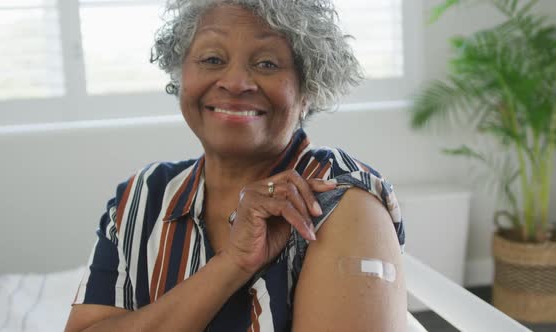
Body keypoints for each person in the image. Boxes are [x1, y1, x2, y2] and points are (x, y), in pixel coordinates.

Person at [65, 0, 406, 331]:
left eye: (267, 64)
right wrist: (233, 264)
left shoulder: (339, 200)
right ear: (180, 74)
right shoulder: (143, 196)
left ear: (307, 91)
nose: (236, 82)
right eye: (213, 59)